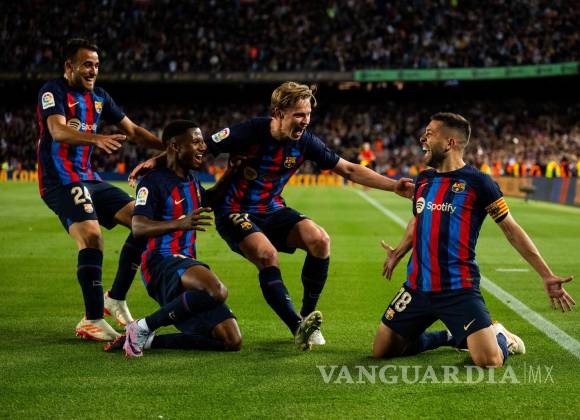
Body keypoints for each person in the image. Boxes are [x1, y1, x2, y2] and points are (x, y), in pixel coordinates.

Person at [204, 81, 414, 350]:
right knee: (267, 255)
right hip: (234, 210)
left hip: (272, 208)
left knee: (320, 240)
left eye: (308, 114)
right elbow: (198, 149)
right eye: (299, 115)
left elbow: (348, 169)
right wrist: (161, 164)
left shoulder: (305, 142)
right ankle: (297, 327)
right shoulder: (249, 132)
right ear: (278, 113)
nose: (305, 121)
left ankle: (307, 318)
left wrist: (393, 185)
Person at [373, 112, 575, 367]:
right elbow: (418, 220)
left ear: (449, 143)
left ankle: (501, 336)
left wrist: (546, 275)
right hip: (417, 287)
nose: (422, 139)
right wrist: (399, 252)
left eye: (430, 134)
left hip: (458, 288)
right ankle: (448, 337)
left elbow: (511, 230)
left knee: (488, 360)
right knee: (383, 350)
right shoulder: (424, 179)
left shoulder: (479, 182)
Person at [37, 38, 164, 341]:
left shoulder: (100, 97)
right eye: (86, 64)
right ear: (69, 66)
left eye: (96, 65)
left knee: (144, 222)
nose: (93, 71)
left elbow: (133, 131)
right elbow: (57, 130)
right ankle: (91, 319)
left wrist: (171, 148)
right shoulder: (53, 91)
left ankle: (115, 298)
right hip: (60, 180)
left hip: (89, 178)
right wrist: (96, 138)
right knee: (92, 237)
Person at [105, 120, 242, 357]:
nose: (203, 147)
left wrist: (232, 171)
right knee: (216, 290)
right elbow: (138, 226)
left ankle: (146, 340)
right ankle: (143, 326)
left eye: (202, 142)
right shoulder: (153, 182)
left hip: (185, 265)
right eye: (196, 142)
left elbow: (207, 201)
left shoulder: (191, 179)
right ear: (176, 146)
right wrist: (180, 223)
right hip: (161, 263)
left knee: (231, 340)